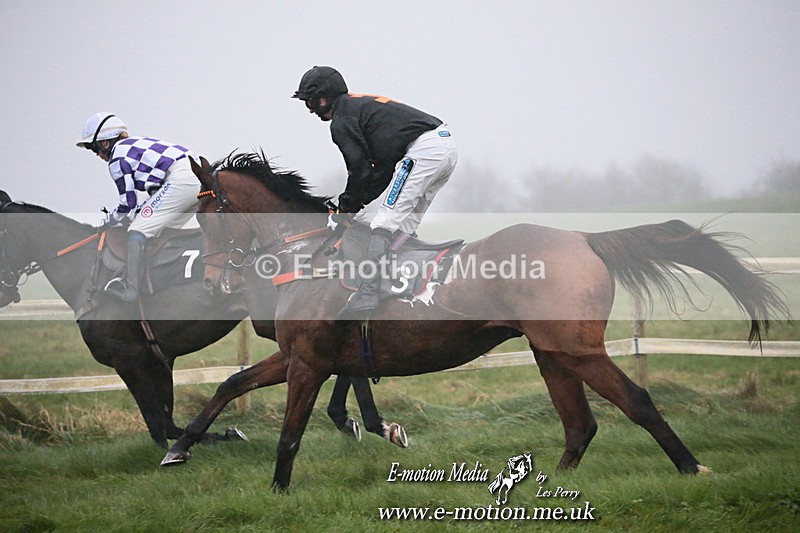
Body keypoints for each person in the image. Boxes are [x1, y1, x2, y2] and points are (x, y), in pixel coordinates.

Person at [292, 66, 458, 318]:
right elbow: (380, 172)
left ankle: (368, 292)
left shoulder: (341, 120)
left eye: (310, 102)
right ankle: (400, 281)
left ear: (323, 98)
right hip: (444, 147)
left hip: (424, 151)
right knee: (405, 224)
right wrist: (352, 207)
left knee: (384, 220)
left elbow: (359, 171)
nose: (310, 109)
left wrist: (345, 208)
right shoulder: (356, 108)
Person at [77, 113, 200, 303]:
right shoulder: (132, 146)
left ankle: (132, 290)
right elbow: (141, 204)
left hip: (181, 180)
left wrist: (109, 220)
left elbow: (128, 204)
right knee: (162, 230)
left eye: (94, 148)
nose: (96, 154)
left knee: (138, 229)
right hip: (195, 174)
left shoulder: (117, 158)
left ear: (105, 144)